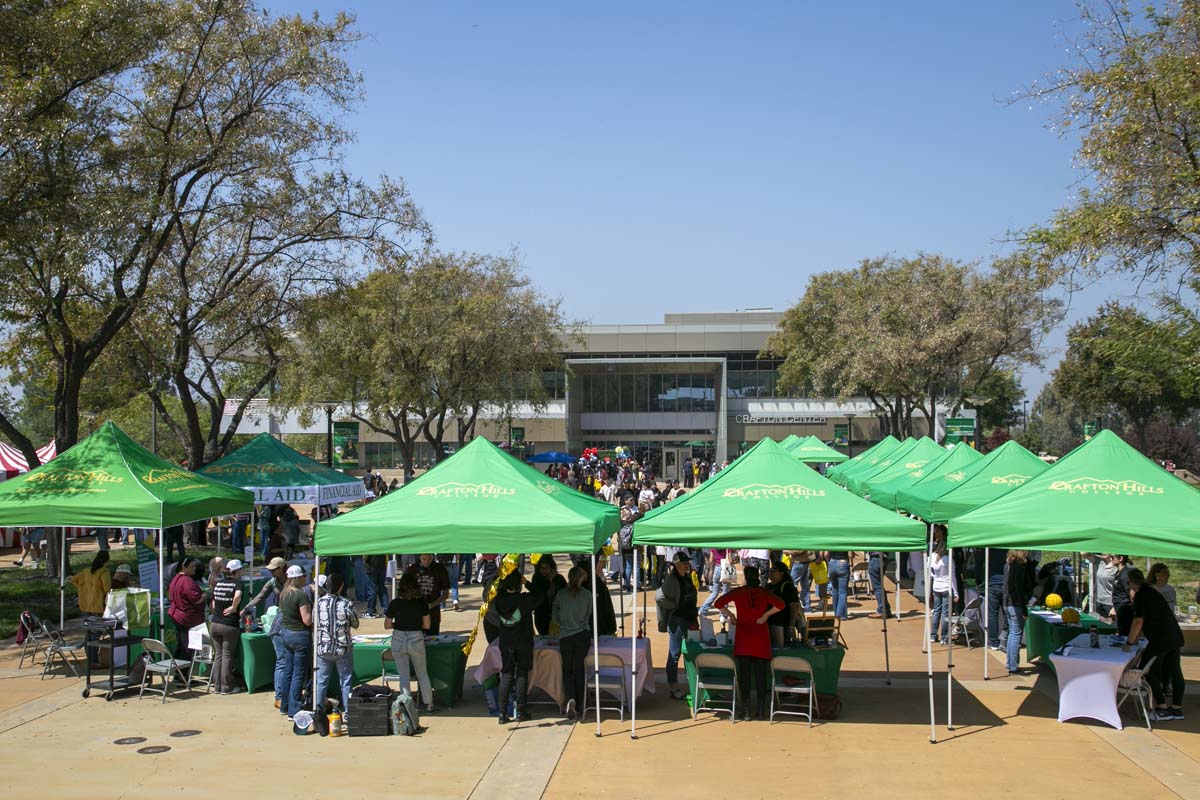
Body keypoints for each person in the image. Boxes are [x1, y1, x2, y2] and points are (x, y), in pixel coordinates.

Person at [714, 565, 785, 720]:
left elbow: (718, 603)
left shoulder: (739, 592)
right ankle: (761, 709)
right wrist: (766, 615)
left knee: (744, 677)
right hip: (760, 640)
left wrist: (731, 616)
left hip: (744, 639)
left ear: (745, 577)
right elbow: (781, 604)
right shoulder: (764, 592)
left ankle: (745, 710)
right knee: (761, 677)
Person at [1125, 568, 1185, 721]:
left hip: (1160, 639)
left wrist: (1129, 642)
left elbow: (1138, 621)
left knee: (1148, 670)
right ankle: (1177, 708)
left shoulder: (1141, 596)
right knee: (1175, 671)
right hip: (1174, 636)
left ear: (1131, 583)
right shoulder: (1152, 593)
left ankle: (1162, 708)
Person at [492, 571, 540, 724]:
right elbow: (540, 595)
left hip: (506, 642)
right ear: (518, 584)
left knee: (506, 675)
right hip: (523, 641)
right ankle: (520, 710)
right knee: (521, 675)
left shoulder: (498, 599)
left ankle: (502, 713)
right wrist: (528, 583)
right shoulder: (523, 599)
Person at [385, 574, 436, 713]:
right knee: (422, 673)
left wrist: (399, 623)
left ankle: (406, 704)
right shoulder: (421, 603)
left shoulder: (395, 603)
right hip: (416, 638)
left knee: (404, 675)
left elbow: (387, 625)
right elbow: (427, 625)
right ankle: (429, 704)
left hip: (398, 638)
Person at [552, 566, 593, 720]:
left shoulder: (561, 594)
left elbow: (555, 616)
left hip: (566, 636)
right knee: (579, 668)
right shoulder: (588, 595)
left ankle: (570, 698)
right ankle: (581, 704)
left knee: (567, 670)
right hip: (582, 635)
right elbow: (589, 614)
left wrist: (562, 623)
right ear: (581, 577)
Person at [316, 572, 359, 718]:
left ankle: (319, 711)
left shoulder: (319, 602)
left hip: (323, 648)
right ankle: (348, 713)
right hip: (342, 648)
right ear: (341, 587)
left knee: (321, 682)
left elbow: (315, 622)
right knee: (345, 681)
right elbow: (356, 623)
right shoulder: (347, 603)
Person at [657, 551, 698, 700]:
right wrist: (673, 605)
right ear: (677, 565)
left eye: (687, 562)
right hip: (678, 621)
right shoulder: (672, 579)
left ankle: (691, 683)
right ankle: (673, 687)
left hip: (689, 619)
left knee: (691, 651)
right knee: (674, 654)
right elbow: (659, 597)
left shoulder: (687, 577)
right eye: (684, 562)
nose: (687, 564)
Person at [277, 565, 313, 721]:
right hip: (299, 635)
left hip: (286, 634)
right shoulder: (300, 595)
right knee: (299, 673)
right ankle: (294, 708)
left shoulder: (284, 594)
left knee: (288, 671)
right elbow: (307, 620)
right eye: (304, 576)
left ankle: (284, 705)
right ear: (299, 577)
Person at [209, 559, 244, 695]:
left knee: (218, 655)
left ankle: (216, 685)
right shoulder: (237, 584)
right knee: (227, 655)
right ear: (237, 571)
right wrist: (234, 607)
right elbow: (238, 595)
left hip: (215, 623)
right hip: (229, 624)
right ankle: (226, 686)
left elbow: (212, 605)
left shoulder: (218, 584)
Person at [405, 554, 451, 635]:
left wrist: (431, 605)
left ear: (433, 557)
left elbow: (445, 594)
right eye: (424, 559)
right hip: (415, 613)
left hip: (433, 613)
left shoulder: (440, 569)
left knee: (433, 639)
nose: (426, 562)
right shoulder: (412, 570)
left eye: (429, 559)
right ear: (419, 557)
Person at [1003, 550, 1032, 676]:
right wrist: (1024, 609)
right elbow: (1019, 589)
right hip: (1016, 605)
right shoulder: (1019, 568)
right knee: (1016, 635)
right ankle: (1013, 665)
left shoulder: (1008, 565)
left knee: (1012, 634)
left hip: (1007, 603)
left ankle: (1010, 663)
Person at [766, 561, 801, 647]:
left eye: (774, 569)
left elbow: (795, 607)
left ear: (781, 573)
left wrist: (791, 626)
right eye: (770, 569)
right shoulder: (768, 586)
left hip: (782, 626)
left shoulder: (787, 587)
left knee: (781, 649)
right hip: (769, 624)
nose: (770, 571)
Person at [530, 555, 566, 636]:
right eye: (542, 568)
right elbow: (538, 594)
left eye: (547, 568)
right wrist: (549, 581)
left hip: (557, 615)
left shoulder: (559, 579)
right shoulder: (537, 578)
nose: (544, 571)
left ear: (552, 568)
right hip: (541, 616)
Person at [929, 537, 955, 645]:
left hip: (936, 587)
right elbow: (952, 577)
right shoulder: (948, 559)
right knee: (945, 613)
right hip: (946, 588)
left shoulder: (932, 557)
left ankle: (933, 635)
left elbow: (930, 574)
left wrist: (929, 589)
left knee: (936, 611)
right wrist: (956, 592)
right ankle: (944, 637)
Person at [70, 551, 111, 616]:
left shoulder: (86, 571)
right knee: (99, 622)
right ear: (107, 560)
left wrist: (81, 587)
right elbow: (107, 588)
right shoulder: (104, 572)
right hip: (98, 602)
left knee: (88, 621)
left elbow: (73, 579)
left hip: (86, 601)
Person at [1111, 555, 1135, 636]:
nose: (1111, 559)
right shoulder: (1119, 572)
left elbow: (1131, 592)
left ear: (1120, 558)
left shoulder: (1125, 575)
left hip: (1126, 612)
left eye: (1112, 557)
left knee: (1124, 635)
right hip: (1119, 610)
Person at [825, 549, 851, 620]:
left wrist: (829, 562)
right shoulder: (847, 539)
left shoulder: (832, 538)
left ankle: (837, 613)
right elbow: (850, 555)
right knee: (843, 592)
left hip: (832, 562)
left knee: (835, 590)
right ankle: (839, 615)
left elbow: (826, 554)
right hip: (843, 561)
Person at [1093, 553, 1119, 617]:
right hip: (1099, 602)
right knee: (1100, 625)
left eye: (1105, 550)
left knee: (1111, 625)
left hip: (1111, 604)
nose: (1103, 552)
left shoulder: (1117, 566)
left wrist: (1115, 606)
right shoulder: (1101, 562)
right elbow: (1083, 553)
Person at [867, 551, 891, 618]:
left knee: (877, 587)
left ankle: (882, 610)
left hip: (876, 558)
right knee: (879, 586)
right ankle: (886, 609)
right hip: (882, 558)